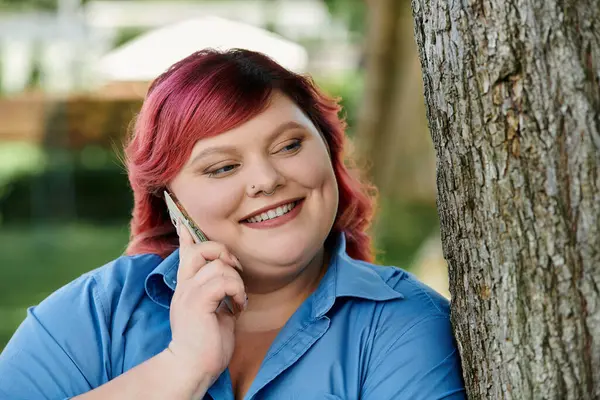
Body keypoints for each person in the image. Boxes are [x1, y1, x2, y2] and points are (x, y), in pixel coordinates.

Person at [0, 49, 466, 399]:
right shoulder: (95, 316)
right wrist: (181, 368)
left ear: (329, 151)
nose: (266, 180)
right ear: (172, 204)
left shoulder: (406, 325)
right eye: (222, 167)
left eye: (289, 146)